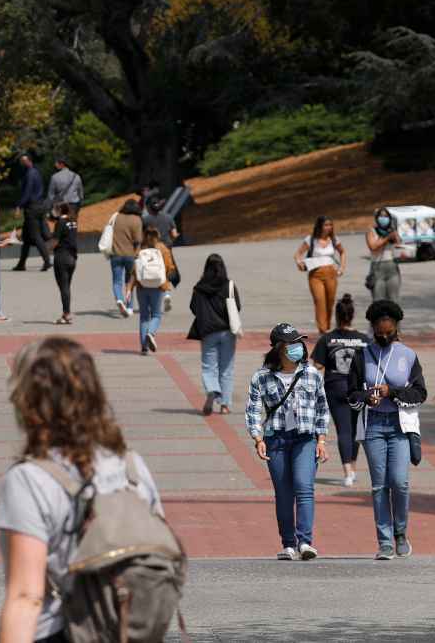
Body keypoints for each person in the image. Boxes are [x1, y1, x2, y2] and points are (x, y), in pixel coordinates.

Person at [0, 336, 167, 641]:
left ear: (28, 400)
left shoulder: (29, 479)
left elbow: (26, 597)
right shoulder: (131, 466)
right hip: (130, 628)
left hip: (63, 630)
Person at [349, 299, 427, 560]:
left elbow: (420, 392)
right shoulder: (363, 355)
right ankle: (384, 541)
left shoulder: (408, 355)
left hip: (399, 425)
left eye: (388, 332)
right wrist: (365, 397)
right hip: (373, 426)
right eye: (379, 333)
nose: (384, 336)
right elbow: (349, 392)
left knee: (400, 483)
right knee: (379, 486)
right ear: (372, 329)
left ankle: (401, 532)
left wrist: (391, 392)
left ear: (396, 328)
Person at [245, 322, 329, 560]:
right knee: (283, 493)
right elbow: (252, 410)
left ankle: (305, 542)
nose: (297, 347)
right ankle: (288, 544)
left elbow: (323, 407)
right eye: (291, 343)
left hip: (305, 438)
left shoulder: (311, 373)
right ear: (278, 348)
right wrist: (257, 438)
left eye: (298, 342)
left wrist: (321, 440)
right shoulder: (261, 377)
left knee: (304, 487)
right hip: (276, 439)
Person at [311, 294, 369, 486]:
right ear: (352, 315)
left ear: (336, 316)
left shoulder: (327, 339)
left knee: (343, 430)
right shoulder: (364, 340)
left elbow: (317, 365)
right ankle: (352, 466)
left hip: (335, 388)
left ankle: (347, 472)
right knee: (355, 430)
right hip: (358, 390)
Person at [187, 254, 243, 415]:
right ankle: (225, 405)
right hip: (227, 332)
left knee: (208, 366)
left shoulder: (199, 287)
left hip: (208, 332)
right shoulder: (229, 285)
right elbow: (237, 306)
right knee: (226, 368)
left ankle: (212, 390)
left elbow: (193, 308)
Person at [126, 225, 175, 354]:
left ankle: (143, 347)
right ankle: (151, 333)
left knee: (144, 316)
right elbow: (170, 268)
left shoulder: (140, 250)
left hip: (142, 287)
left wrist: (129, 289)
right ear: (157, 236)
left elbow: (134, 271)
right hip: (158, 287)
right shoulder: (163, 249)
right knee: (157, 314)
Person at [295, 216, 345, 333]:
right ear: (320, 226)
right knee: (319, 301)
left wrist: (342, 267)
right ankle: (322, 330)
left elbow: (342, 252)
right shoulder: (311, 239)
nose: (328, 228)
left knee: (330, 301)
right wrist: (300, 263)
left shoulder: (334, 239)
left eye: (330, 225)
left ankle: (327, 327)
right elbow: (298, 254)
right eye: (326, 225)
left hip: (331, 273)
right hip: (315, 274)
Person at [13, 154, 51, 272]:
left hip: (32, 208)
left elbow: (28, 192)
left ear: (29, 161)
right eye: (21, 162)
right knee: (26, 237)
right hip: (39, 206)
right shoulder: (36, 172)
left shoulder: (29, 174)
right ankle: (21, 263)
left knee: (35, 236)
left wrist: (19, 206)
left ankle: (47, 261)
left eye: (24, 161)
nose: (22, 164)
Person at [109, 198, 144, 318]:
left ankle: (119, 298)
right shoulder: (137, 220)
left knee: (116, 281)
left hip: (116, 254)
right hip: (131, 255)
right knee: (130, 282)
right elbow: (138, 240)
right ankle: (129, 306)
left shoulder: (116, 217)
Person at [49, 203, 78, 325]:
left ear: (60, 210)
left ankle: (67, 314)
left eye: (55, 209)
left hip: (62, 256)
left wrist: (48, 248)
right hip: (72, 257)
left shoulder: (60, 223)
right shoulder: (73, 221)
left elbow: (55, 241)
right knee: (66, 286)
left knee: (63, 286)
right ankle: (65, 313)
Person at [365, 207, 401, 302]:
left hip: (392, 267)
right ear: (377, 218)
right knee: (378, 300)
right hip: (377, 268)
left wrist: (393, 232)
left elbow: (398, 243)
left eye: (386, 216)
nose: (383, 218)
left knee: (394, 300)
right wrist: (387, 238)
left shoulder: (391, 230)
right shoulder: (371, 231)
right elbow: (373, 247)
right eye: (381, 216)